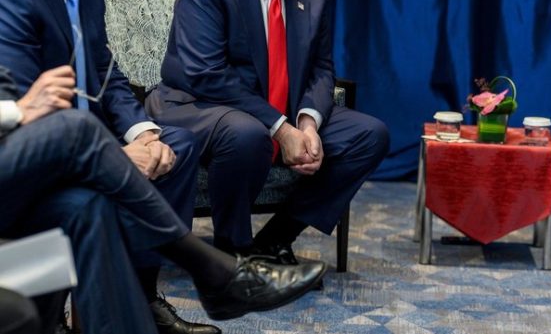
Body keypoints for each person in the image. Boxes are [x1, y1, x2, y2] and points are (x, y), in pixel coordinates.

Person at [0, 0, 214, 334]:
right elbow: (29, 112)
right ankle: (202, 268)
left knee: (176, 145)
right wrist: (114, 154)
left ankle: (143, 290)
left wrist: (143, 132)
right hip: (41, 148)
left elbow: (106, 70)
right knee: (84, 200)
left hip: (84, 132)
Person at [146, 0, 390, 262]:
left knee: (369, 134)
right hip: (200, 105)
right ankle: (233, 254)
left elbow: (321, 67)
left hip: (278, 109)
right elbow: (207, 74)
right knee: (247, 133)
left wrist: (307, 123)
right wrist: (281, 128)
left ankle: (273, 241)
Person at [0, 64, 327, 334]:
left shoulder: (83, 4)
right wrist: (17, 111)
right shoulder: (17, 4)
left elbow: (105, 72)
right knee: (78, 132)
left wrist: (143, 136)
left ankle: (153, 298)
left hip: (39, 138)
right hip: (33, 139)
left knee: (95, 199)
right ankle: (214, 271)